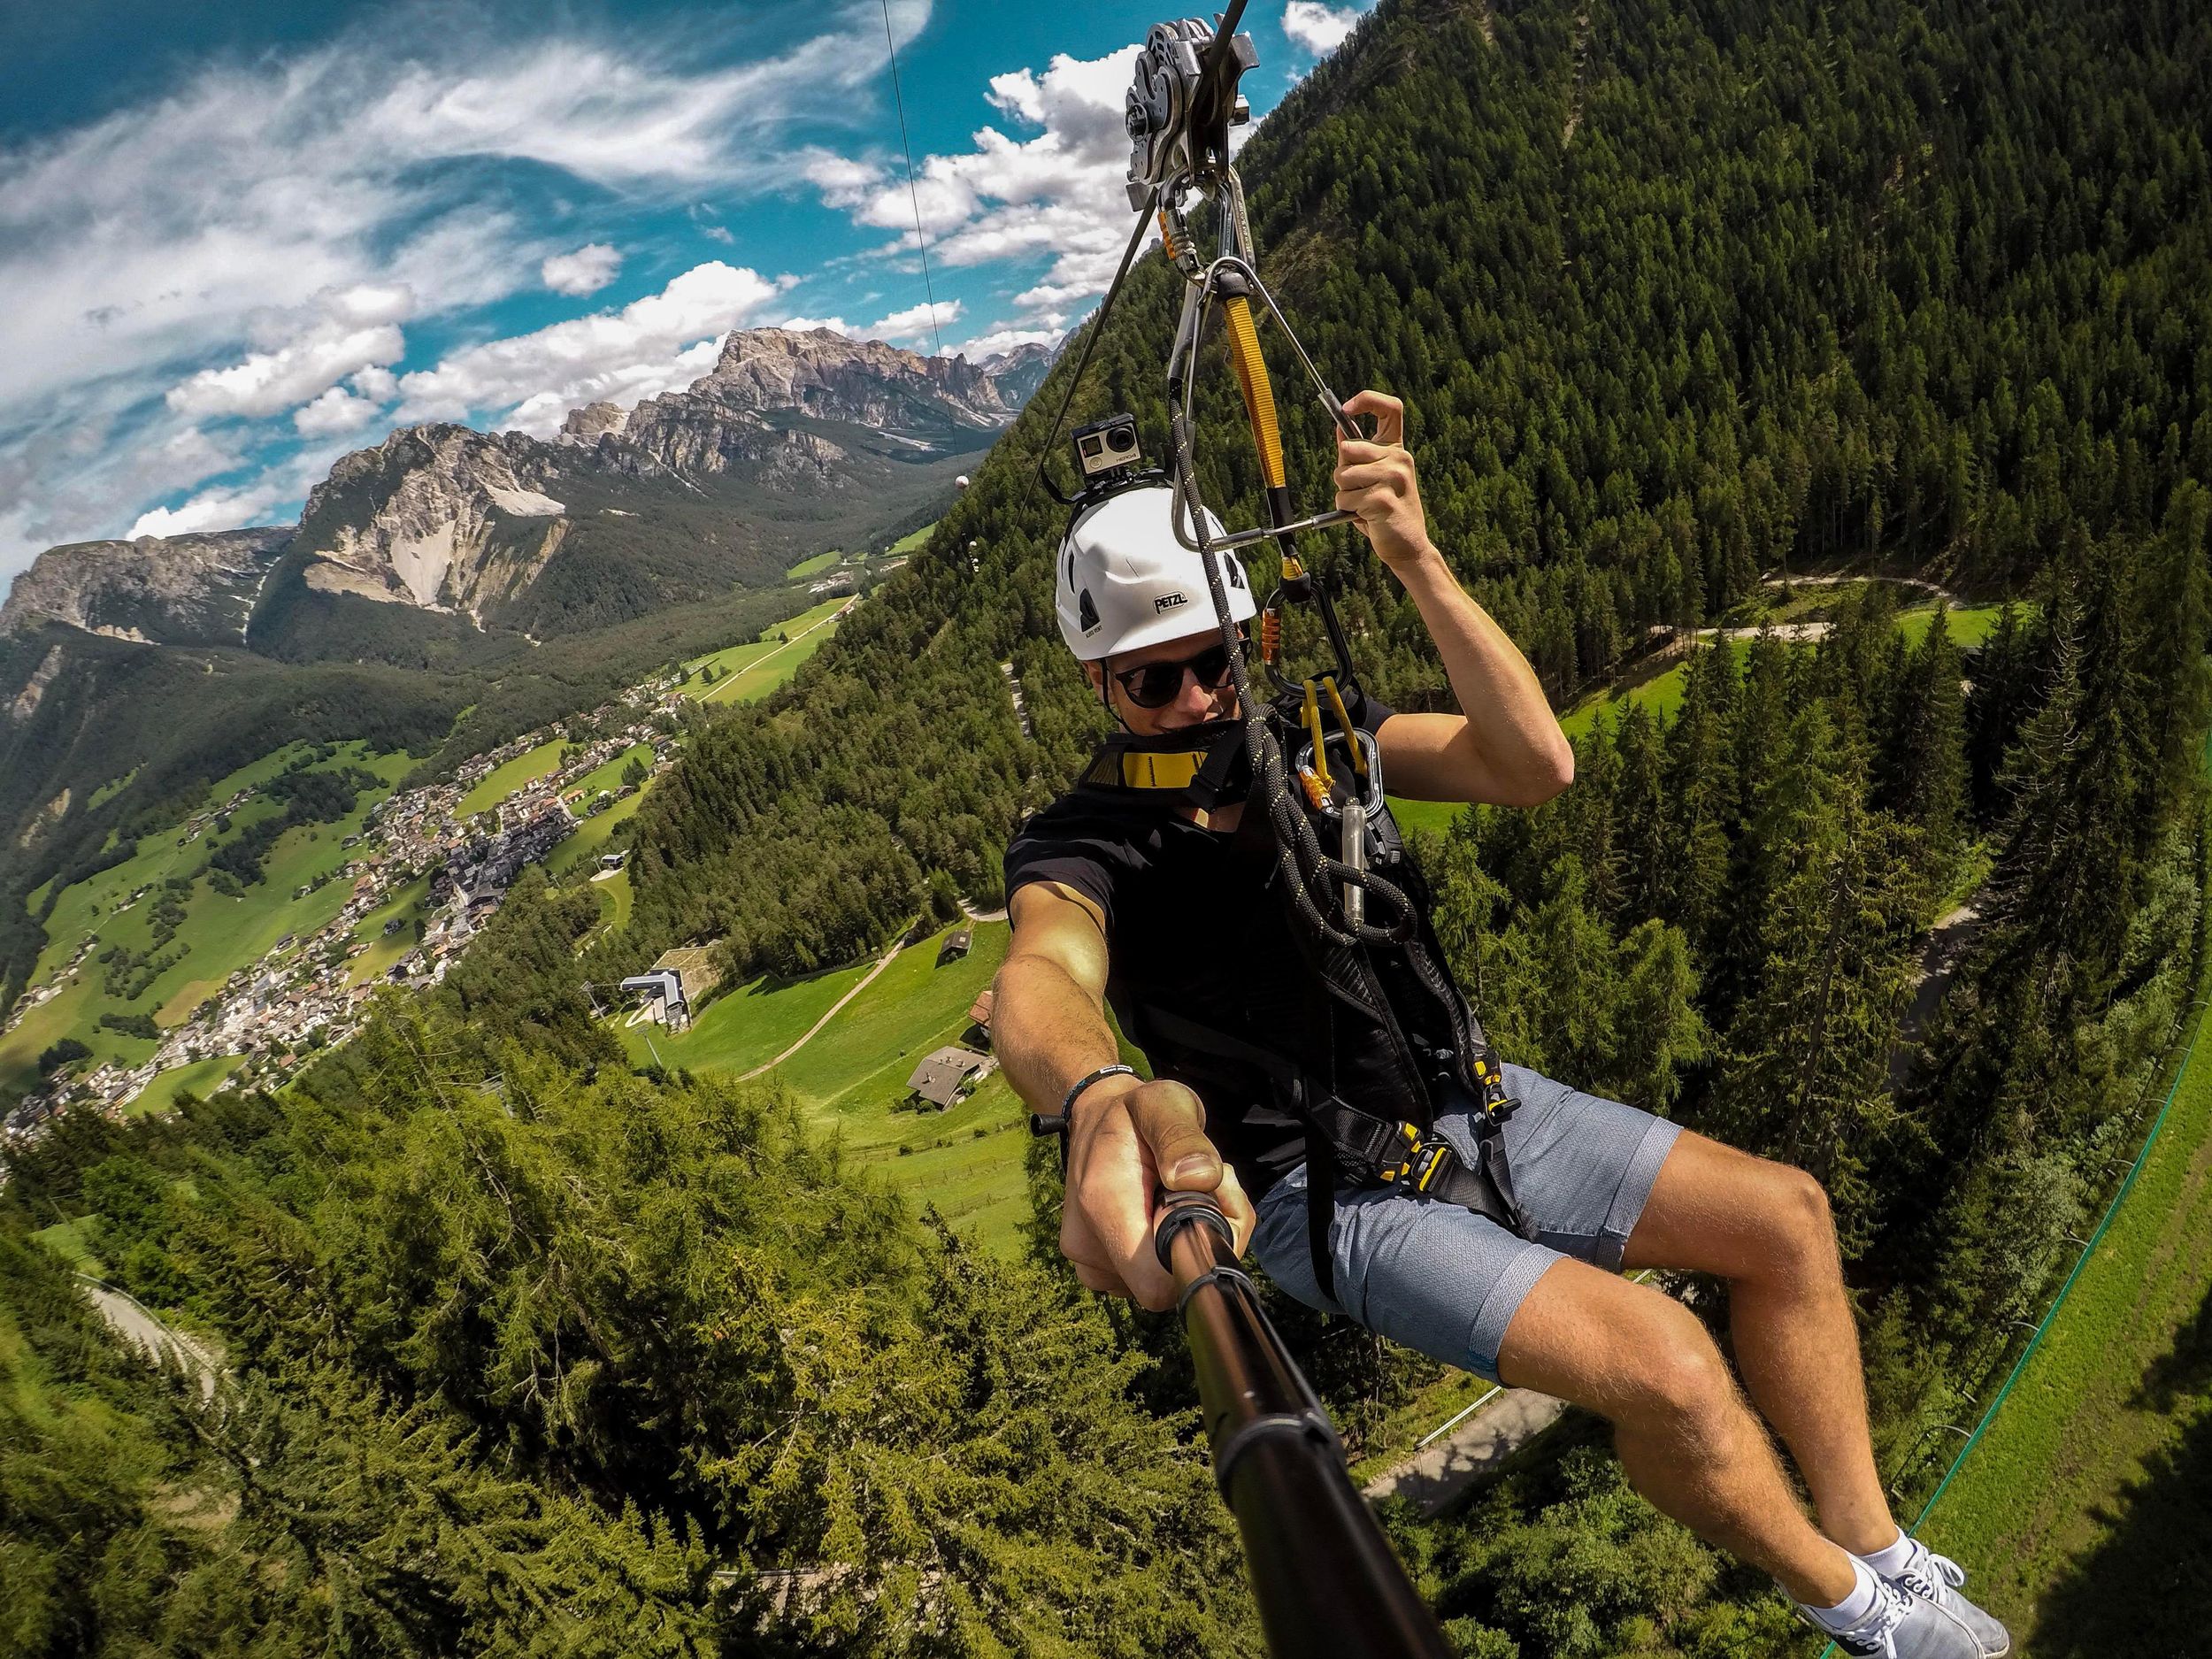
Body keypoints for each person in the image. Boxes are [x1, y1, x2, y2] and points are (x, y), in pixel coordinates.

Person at [993, 390, 2010, 1659]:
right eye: (1158, 678)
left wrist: (1417, 559)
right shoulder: (1088, 841)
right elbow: (1042, 973)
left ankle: (1880, 1548)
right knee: (1673, 1366)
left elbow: (1531, 764)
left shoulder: (1319, 740)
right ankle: (1862, 1617)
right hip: (1324, 1189)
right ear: (1101, 681)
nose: (1201, 697)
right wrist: (1092, 1095)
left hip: (1475, 1100)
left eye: (1221, 659)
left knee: (1787, 1218)